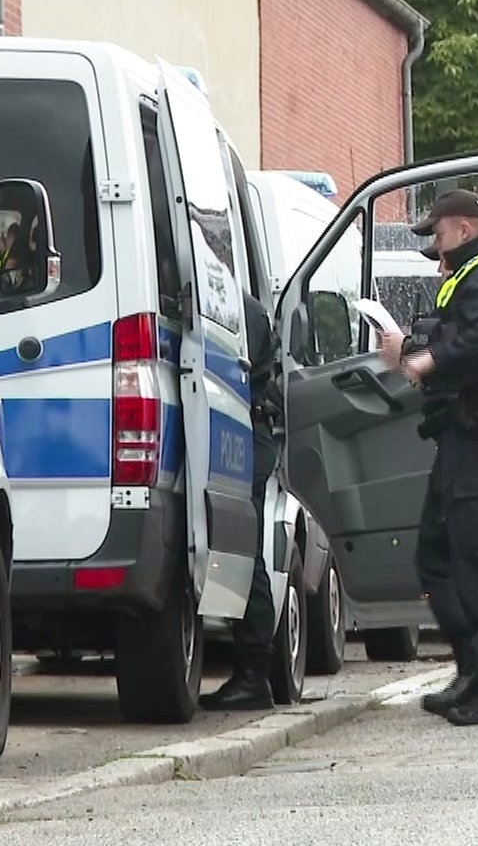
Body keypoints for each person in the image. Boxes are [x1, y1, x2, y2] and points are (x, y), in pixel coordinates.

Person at [381, 189, 478, 727]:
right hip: (463, 438)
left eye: (438, 232)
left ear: (464, 228)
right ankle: (476, 671)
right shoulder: (468, 274)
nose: (434, 242)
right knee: (441, 556)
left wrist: (428, 360)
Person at [201, 291, 290, 710]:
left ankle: (255, 675)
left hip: (250, 432)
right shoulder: (237, 302)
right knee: (243, 551)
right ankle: (258, 674)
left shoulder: (236, 307)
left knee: (246, 554)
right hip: (251, 430)